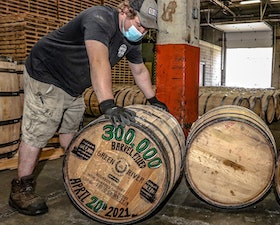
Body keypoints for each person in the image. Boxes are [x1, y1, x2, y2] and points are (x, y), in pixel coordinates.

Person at [9, 0, 168, 216]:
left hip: (73, 85)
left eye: (147, 28)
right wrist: (108, 105)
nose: (141, 31)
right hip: (47, 74)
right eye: (140, 24)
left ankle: (76, 172)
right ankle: (21, 188)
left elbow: (139, 71)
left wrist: (153, 99)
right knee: (39, 132)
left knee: (71, 131)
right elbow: (98, 62)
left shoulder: (132, 40)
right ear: (126, 11)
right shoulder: (99, 19)